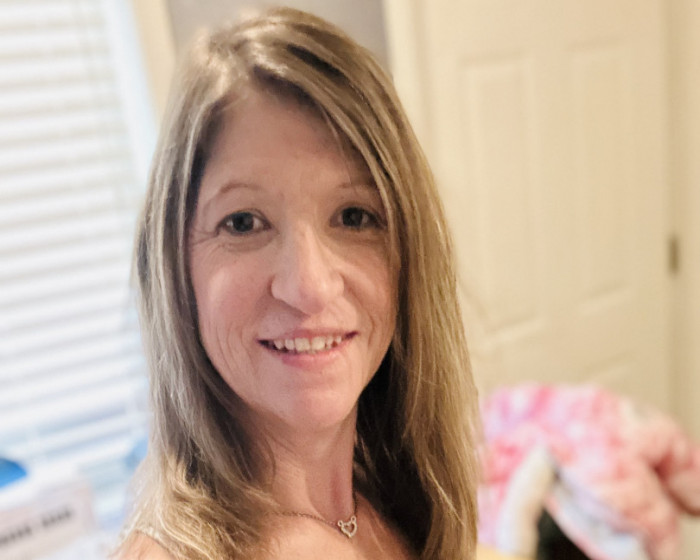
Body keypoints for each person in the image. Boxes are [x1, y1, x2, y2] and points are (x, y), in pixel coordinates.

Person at [116, 6, 480, 560]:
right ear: (175, 270)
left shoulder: (403, 503)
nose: (309, 286)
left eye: (354, 216)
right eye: (243, 223)